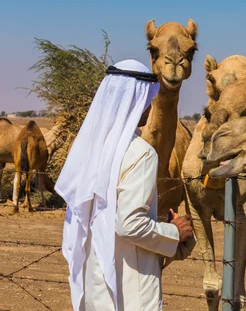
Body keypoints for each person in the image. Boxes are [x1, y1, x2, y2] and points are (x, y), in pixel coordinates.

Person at [55, 60, 194, 311]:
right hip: (130, 287)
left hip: (95, 278)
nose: (150, 105)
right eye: (147, 97)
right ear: (138, 100)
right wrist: (175, 232)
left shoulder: (89, 149)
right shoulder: (140, 153)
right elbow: (129, 224)